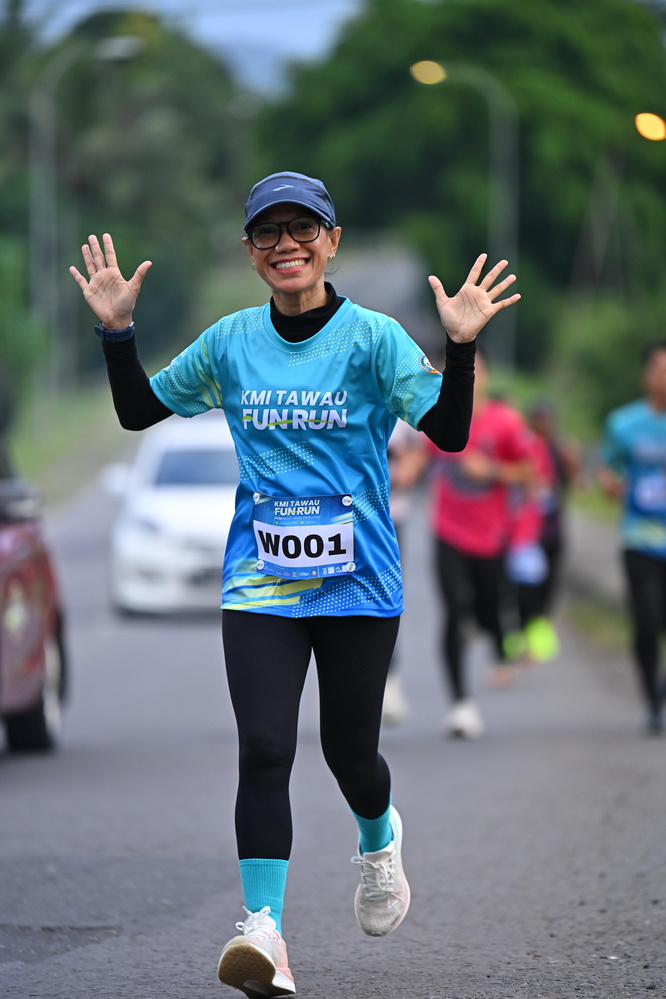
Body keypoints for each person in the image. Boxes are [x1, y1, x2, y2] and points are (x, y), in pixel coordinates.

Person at [70, 170, 519, 996]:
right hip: (261, 582)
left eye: (302, 229)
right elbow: (140, 412)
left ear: (331, 241)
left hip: (359, 581)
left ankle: (379, 840)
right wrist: (118, 332)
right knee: (266, 747)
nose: (287, 246)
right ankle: (264, 930)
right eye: (268, 233)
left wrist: (460, 347)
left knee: (352, 754)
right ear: (251, 252)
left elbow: (450, 432)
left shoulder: (375, 339)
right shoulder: (230, 342)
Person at [421, 353, 535, 737]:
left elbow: (530, 472)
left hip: (490, 537)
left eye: (474, 370)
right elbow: (417, 461)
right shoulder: (437, 415)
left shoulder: (506, 421)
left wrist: (492, 470)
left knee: (488, 610)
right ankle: (461, 704)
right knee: (454, 612)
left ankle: (497, 638)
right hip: (448, 532)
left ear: (483, 376)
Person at [599, 341, 666, 735]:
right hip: (639, 539)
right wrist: (613, 485)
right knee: (646, 621)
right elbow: (607, 470)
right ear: (646, 375)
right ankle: (652, 700)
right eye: (659, 368)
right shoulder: (623, 424)